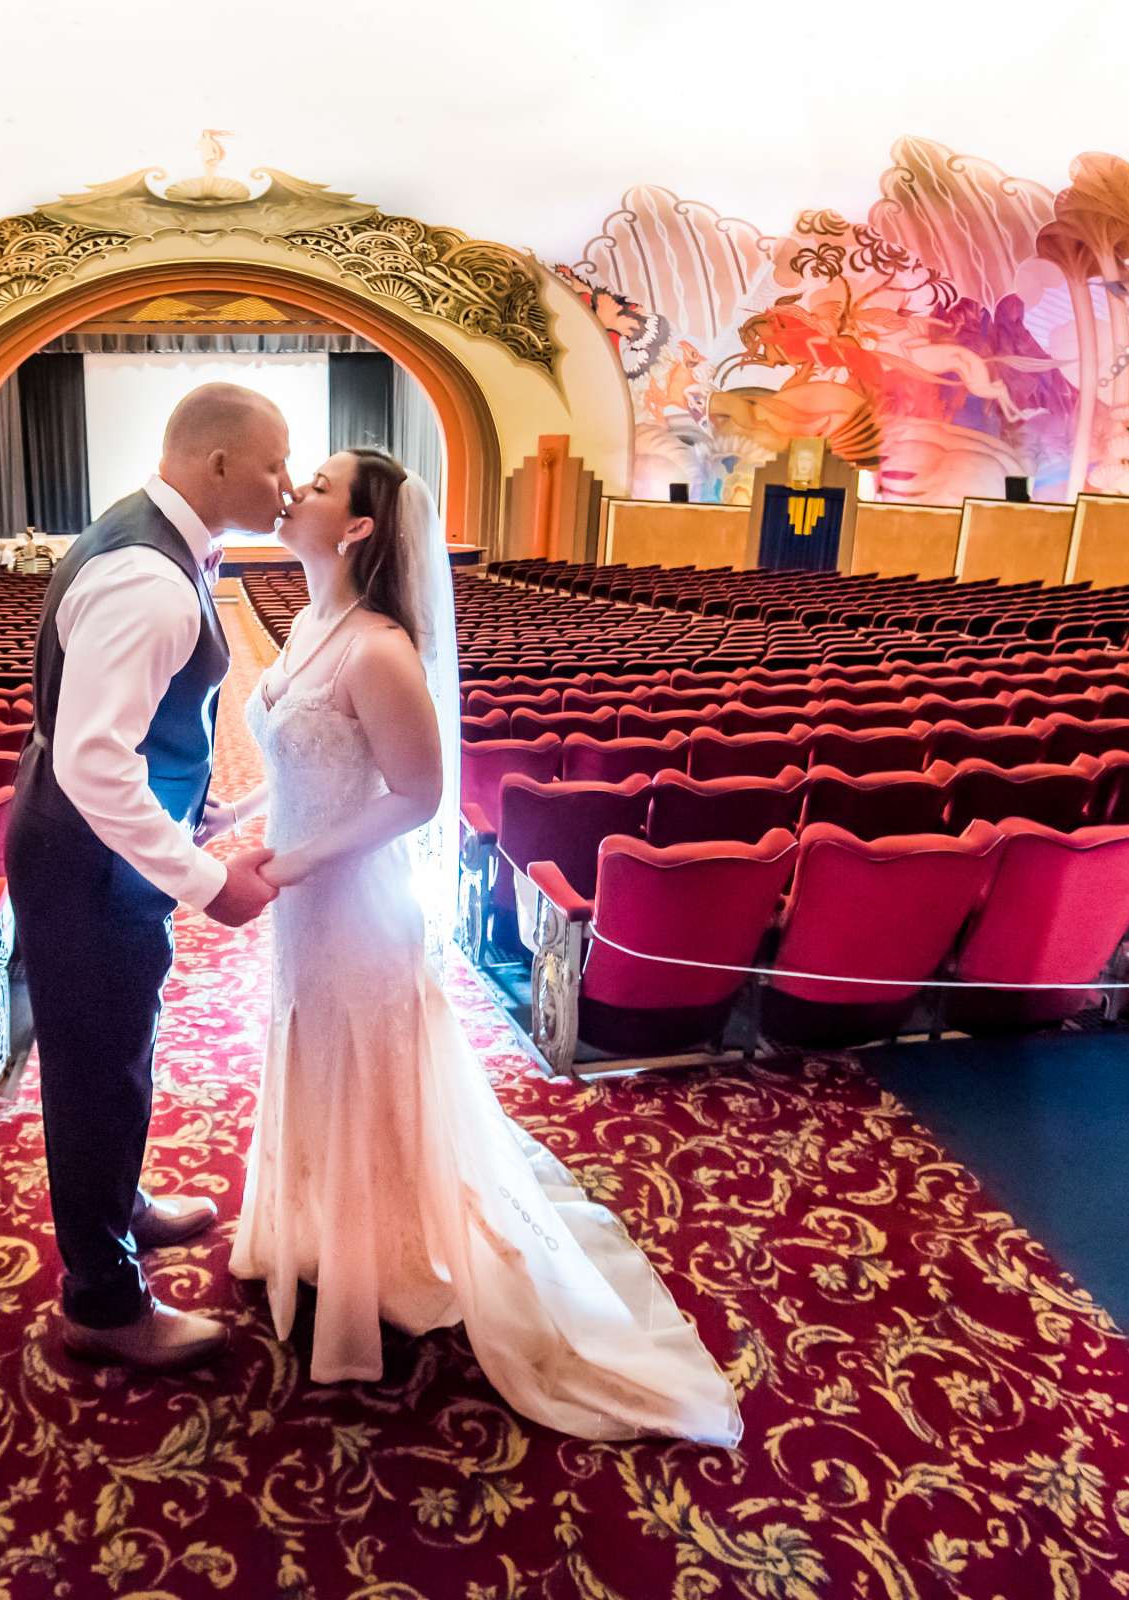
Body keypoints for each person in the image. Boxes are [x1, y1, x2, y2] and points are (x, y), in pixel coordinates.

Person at [220, 447, 743, 1443]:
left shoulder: (377, 647)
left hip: (355, 902)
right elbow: (296, 750)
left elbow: (415, 799)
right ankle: (323, 1224)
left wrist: (286, 866)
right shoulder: (304, 623)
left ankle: (387, 1251)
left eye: (321, 487)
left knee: (367, 1065)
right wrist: (232, 814)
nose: (294, 493)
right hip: (306, 896)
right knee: (311, 1047)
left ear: (362, 528)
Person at [4, 383, 292, 1372]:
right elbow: (95, 763)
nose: (285, 485)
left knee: (116, 1055)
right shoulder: (151, 580)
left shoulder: (158, 548)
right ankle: (103, 1301)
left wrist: (203, 817)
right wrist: (209, 878)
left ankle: (118, 1208)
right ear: (217, 465)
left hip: (96, 846)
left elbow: (135, 740)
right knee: (94, 1072)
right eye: (271, 464)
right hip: (87, 859)